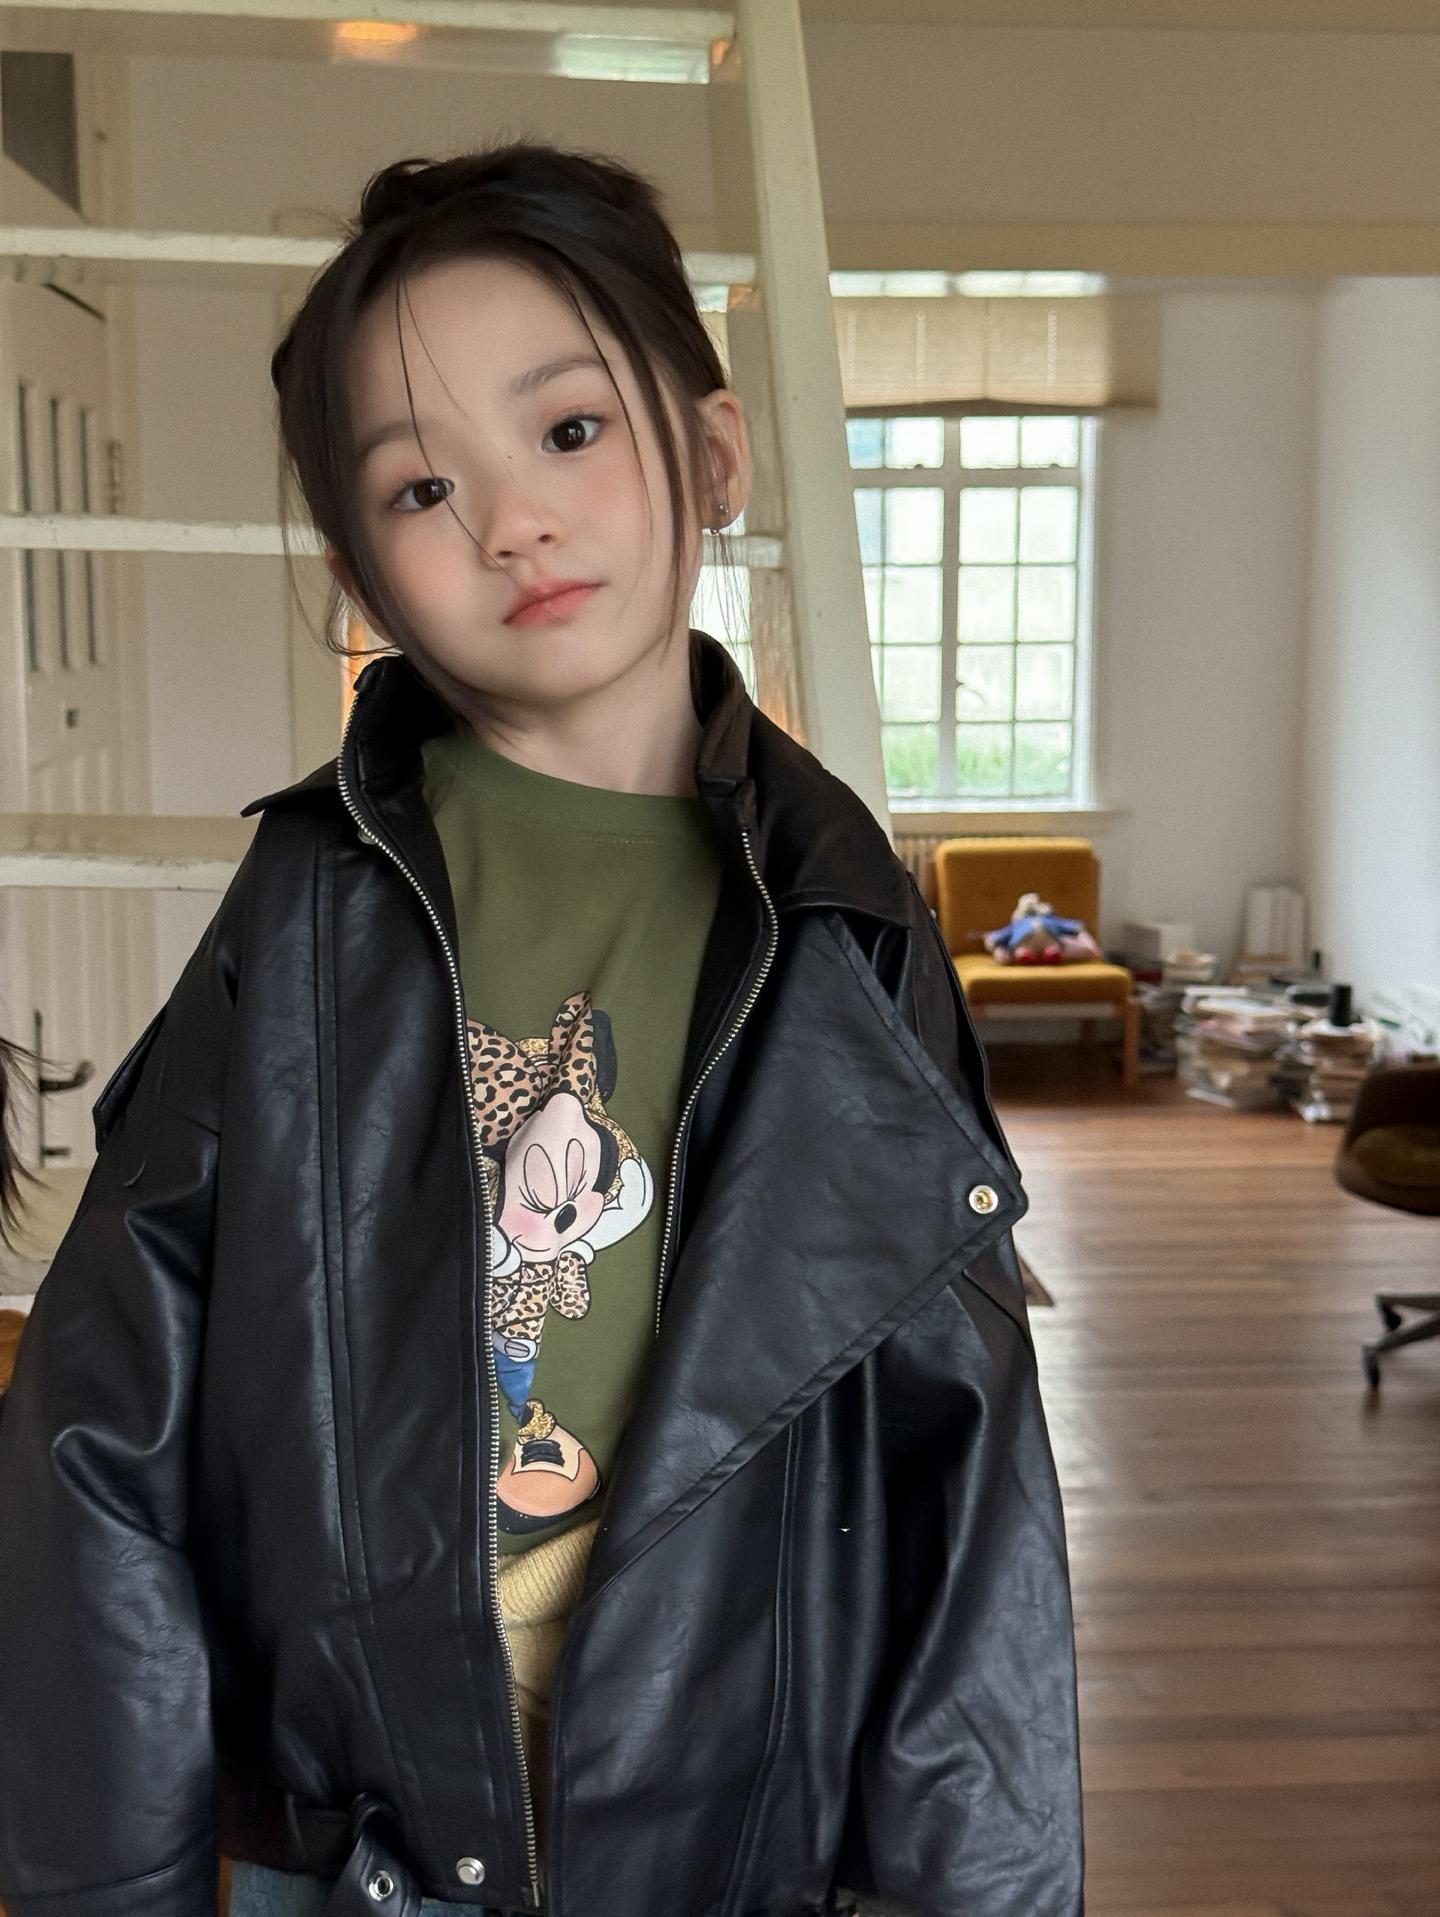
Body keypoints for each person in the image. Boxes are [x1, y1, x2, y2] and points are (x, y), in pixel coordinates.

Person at [0, 141, 1085, 1917]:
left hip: (729, 1833)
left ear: (713, 452)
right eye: (423, 486)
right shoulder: (312, 901)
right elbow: (103, 1419)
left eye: (569, 430)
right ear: (360, 568)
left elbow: (960, 1474)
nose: (511, 520)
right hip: (364, 1845)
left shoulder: (848, 923)